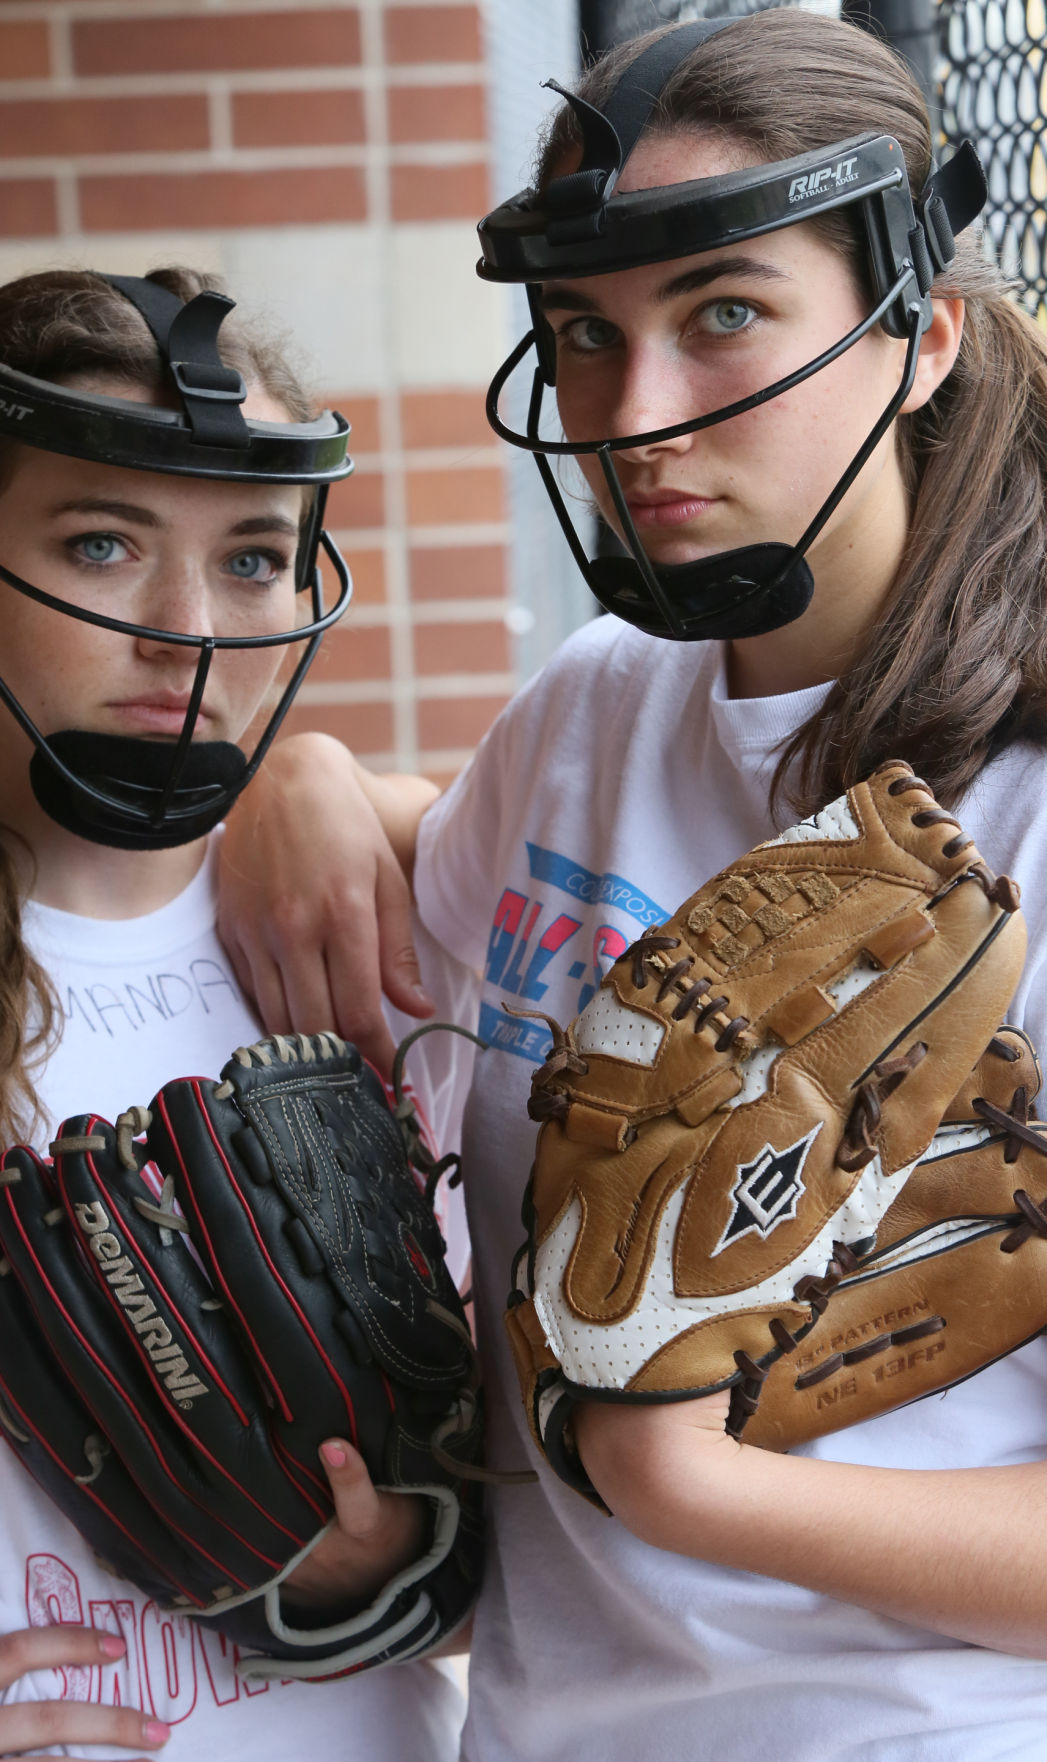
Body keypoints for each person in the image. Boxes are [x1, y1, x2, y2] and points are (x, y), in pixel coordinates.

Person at [216, 10, 1047, 1759]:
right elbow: (452, 893)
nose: (638, 415)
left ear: (924, 337)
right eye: (587, 335)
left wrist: (684, 1481)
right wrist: (300, 782)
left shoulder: (1026, 809)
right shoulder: (596, 704)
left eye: (725, 312)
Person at [0, 266, 472, 1761]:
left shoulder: (382, 930)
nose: (188, 630)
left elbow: (550, 1570)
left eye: (257, 558)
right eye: (101, 541)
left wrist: (388, 1556)